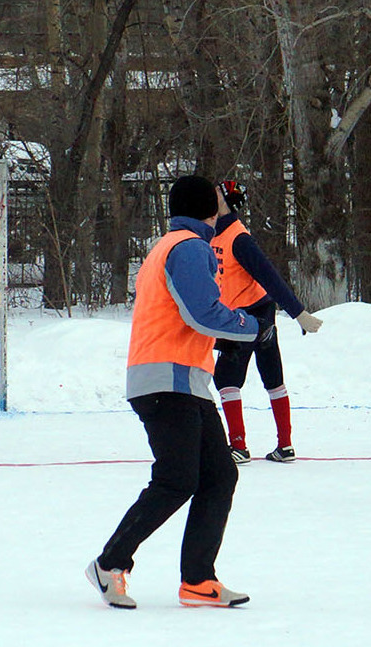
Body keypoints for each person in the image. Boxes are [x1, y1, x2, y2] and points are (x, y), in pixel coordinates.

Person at [88, 176, 320, 610]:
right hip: (164, 380)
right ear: (209, 211)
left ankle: (198, 579)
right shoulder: (188, 247)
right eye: (218, 201)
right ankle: (109, 563)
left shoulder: (173, 244)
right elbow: (203, 313)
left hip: (185, 381)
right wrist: (254, 328)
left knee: (218, 475)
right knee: (176, 479)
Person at [209, 181, 327, 463]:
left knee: (227, 378)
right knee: (270, 375)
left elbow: (269, 277)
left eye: (215, 194)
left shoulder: (238, 238)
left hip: (247, 316)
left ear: (226, 202)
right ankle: (285, 447)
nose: (209, 197)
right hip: (252, 311)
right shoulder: (212, 232)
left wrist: (299, 313)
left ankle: (239, 447)